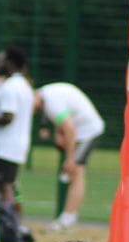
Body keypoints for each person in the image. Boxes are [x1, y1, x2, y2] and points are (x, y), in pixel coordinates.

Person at [33, 81, 104, 230]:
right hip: (81, 132)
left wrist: (69, 159)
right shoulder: (48, 94)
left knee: (76, 171)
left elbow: (70, 129)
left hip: (88, 132)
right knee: (75, 173)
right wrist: (59, 133)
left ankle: (67, 220)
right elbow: (65, 121)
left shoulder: (51, 102)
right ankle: (68, 217)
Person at [0, 48, 34, 242]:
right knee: (9, 185)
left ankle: (9, 226)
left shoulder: (11, 87)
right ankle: (13, 225)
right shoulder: (24, 85)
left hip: (4, 146)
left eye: (3, 59)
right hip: (16, 145)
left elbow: (8, 116)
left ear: (11, 63)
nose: (0, 62)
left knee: (4, 186)